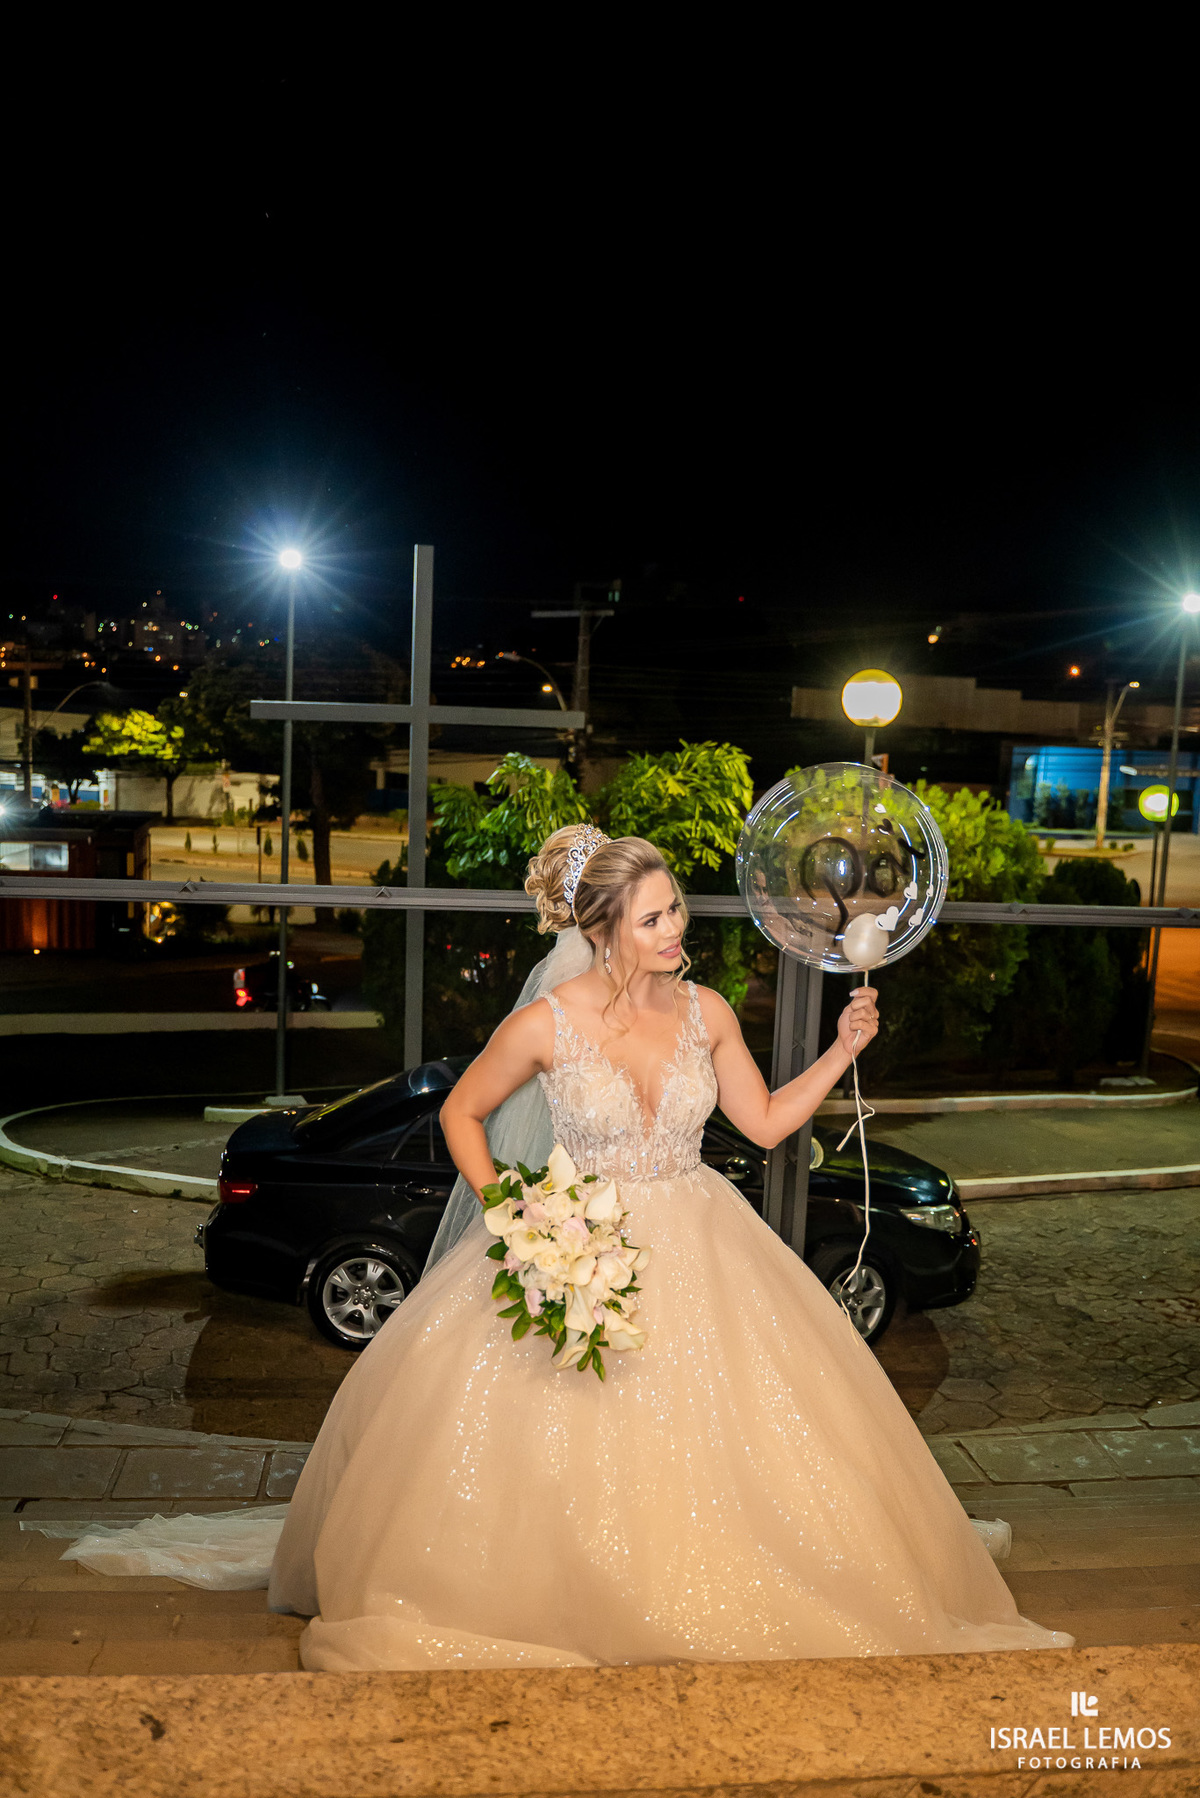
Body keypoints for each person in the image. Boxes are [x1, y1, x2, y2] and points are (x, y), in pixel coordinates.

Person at [261, 825, 1073, 1669]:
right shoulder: (545, 1024)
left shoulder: (705, 1011)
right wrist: (516, 1211)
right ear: (602, 931)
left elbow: (762, 1125)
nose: (675, 929)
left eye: (675, 908)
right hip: (581, 1234)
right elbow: (459, 1115)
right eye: (652, 919)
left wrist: (843, 1049)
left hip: (703, 1236)